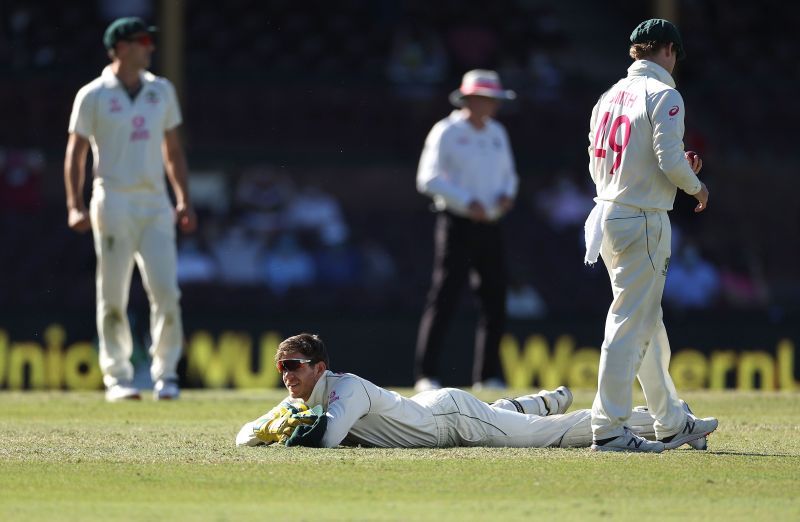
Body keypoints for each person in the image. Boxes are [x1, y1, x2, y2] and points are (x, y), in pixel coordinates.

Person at [582, 19, 717, 452]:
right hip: (642, 218)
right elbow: (669, 159)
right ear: (669, 52)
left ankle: (671, 420)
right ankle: (608, 427)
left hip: (608, 214)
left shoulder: (607, 98)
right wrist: (696, 186)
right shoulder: (665, 94)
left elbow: (597, 160)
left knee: (646, 322)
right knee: (629, 322)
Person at [236, 333, 710, 450]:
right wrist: (271, 428)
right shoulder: (299, 400)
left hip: (451, 420)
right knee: (516, 419)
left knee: (546, 436)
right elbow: (243, 436)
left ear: (320, 367)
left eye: (294, 366)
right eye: (281, 368)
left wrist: (284, 435)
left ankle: (667, 419)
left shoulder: (347, 390)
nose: (286, 375)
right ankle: (538, 400)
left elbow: (328, 438)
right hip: (435, 412)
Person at [64, 17, 196, 402]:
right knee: (112, 293)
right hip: (113, 199)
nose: (149, 48)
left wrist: (183, 198)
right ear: (120, 47)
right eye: (142, 41)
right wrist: (74, 204)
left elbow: (172, 150)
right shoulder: (94, 94)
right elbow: (77, 152)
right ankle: (118, 377)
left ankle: (166, 374)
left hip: (155, 203)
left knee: (166, 291)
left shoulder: (161, 90)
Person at [414, 69, 518, 392]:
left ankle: (487, 376)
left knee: (494, 298)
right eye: (486, 99)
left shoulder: (497, 133)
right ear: (469, 99)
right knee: (445, 295)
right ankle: (425, 374)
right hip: (456, 223)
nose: (492, 105)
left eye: (494, 100)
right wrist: (466, 201)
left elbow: (510, 177)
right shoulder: (445, 131)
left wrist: (506, 196)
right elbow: (427, 178)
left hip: (491, 225)